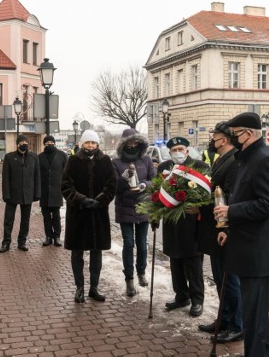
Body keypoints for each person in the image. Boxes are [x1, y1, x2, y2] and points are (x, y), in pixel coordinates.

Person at [214, 112, 269, 356]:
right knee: (253, 315)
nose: (233, 139)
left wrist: (231, 211)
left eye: (236, 134)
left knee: (255, 318)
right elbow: (243, 196)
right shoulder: (246, 158)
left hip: (258, 251)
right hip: (245, 246)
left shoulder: (265, 160)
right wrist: (228, 228)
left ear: (250, 133)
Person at [197, 121, 243, 343]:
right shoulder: (221, 159)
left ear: (223, 140)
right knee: (219, 279)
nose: (211, 141)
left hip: (222, 229)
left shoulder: (233, 161)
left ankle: (236, 325)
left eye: (214, 137)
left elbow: (231, 196)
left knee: (229, 280)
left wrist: (225, 227)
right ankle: (223, 320)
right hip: (214, 228)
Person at [62, 129, 117, 303]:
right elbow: (65, 186)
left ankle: (94, 287)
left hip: (97, 215)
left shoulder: (105, 161)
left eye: (93, 143)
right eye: (87, 142)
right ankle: (79, 288)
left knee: (96, 252)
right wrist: (82, 200)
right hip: (78, 215)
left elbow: (111, 184)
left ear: (97, 144)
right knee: (77, 253)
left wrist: (100, 201)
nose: (90, 145)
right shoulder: (73, 160)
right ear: (82, 143)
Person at [155, 136, 208, 317]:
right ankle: (181, 296)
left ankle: (197, 300)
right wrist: (155, 215)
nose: (178, 152)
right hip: (171, 223)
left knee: (193, 263)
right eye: (174, 150)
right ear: (169, 152)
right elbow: (157, 192)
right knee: (175, 261)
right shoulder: (163, 168)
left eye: (180, 149)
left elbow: (207, 195)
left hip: (192, 223)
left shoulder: (200, 167)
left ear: (187, 150)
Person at [112, 128, 156, 297]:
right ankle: (129, 278)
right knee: (129, 243)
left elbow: (154, 179)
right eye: (129, 142)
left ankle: (141, 272)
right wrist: (123, 179)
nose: (132, 145)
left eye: (135, 142)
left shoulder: (145, 159)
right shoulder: (116, 162)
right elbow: (114, 186)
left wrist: (144, 185)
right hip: (125, 208)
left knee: (142, 244)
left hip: (143, 207)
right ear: (123, 144)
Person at [0, 134, 40, 253]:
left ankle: (22, 242)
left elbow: (37, 177)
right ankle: (6, 243)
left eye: (25, 143)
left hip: (27, 194)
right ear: (17, 144)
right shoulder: (9, 157)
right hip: (12, 194)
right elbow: (5, 177)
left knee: (25, 220)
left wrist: (37, 193)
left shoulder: (34, 157)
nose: (24, 145)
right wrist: (6, 194)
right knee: (8, 220)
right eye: (21, 143)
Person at [38, 135, 69, 247]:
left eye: (51, 142)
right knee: (46, 216)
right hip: (44, 191)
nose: (49, 144)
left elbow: (68, 173)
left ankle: (57, 237)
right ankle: (48, 236)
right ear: (44, 144)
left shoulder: (62, 155)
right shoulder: (40, 157)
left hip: (57, 191)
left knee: (56, 216)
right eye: (47, 142)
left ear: (54, 143)